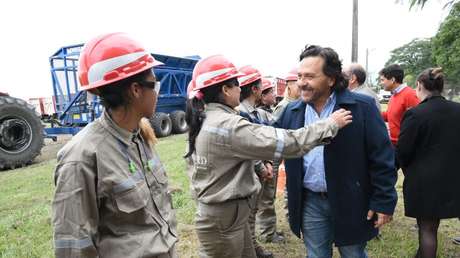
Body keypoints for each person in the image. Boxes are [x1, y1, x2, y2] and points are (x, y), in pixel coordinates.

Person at [185, 54, 352, 258]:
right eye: (236, 84)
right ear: (225, 90)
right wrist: (329, 124)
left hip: (227, 218)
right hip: (224, 221)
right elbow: (287, 142)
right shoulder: (228, 125)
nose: (241, 88)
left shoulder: (208, 118)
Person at [52, 33, 178, 257]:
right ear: (136, 90)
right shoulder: (81, 157)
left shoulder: (139, 137)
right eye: (154, 84)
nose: (157, 92)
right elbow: (73, 247)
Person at [274, 45, 397, 258]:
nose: (302, 82)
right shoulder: (291, 112)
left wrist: (383, 201)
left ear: (331, 79)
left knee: (353, 253)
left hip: (352, 199)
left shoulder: (362, 107)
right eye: (300, 75)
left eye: (310, 76)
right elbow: (269, 137)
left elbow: (382, 158)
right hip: (310, 201)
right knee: (316, 254)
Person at [396, 68, 460, 258]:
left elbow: (403, 151)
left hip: (425, 181)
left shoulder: (415, 114)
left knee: (428, 229)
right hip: (455, 176)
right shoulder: (458, 110)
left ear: (419, 85)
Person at [237, 65, 274, 258]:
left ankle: (253, 245)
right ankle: (251, 248)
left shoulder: (253, 112)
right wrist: (261, 166)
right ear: (254, 89)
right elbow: (248, 147)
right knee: (247, 214)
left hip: (258, 169)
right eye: (261, 86)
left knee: (252, 212)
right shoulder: (241, 113)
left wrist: (267, 161)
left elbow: (263, 140)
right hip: (250, 171)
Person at [379, 64, 419, 148]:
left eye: (383, 80)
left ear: (392, 80)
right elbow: (391, 115)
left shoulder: (410, 95)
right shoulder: (394, 95)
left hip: (404, 146)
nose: (381, 83)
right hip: (394, 145)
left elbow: (417, 122)